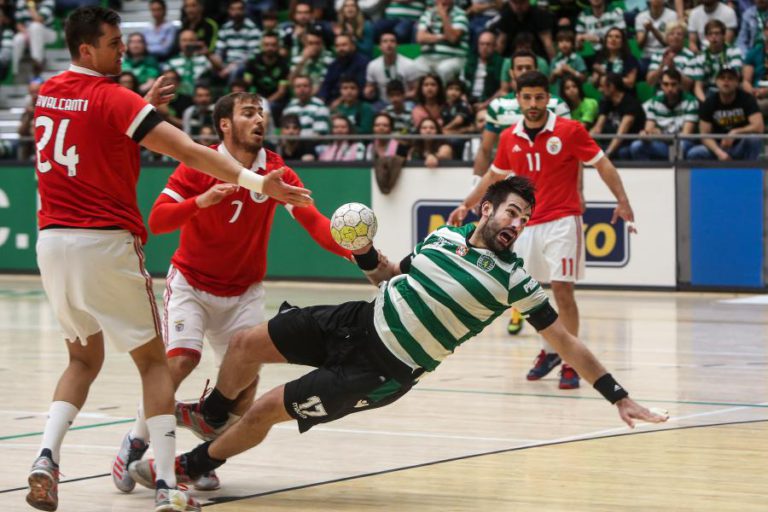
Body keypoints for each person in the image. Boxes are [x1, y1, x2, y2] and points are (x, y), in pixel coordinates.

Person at [127, 176, 667, 488]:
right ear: (486, 209)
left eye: (524, 219)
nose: (517, 224)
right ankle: (215, 413)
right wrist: (365, 253)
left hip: (380, 370)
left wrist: (616, 395)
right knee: (246, 344)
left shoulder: (515, 280)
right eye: (511, 212)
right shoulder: (445, 237)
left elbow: (567, 343)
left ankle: (190, 466)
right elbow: (392, 277)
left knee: (268, 405)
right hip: (358, 320)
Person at [26, 6, 311, 512]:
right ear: (87, 49)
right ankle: (162, 483)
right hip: (105, 240)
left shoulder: (49, 91)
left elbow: (97, 134)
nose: (122, 50)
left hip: (52, 241)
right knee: (158, 365)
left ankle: (45, 458)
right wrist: (252, 182)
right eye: (114, 43)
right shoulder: (114, 99)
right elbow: (191, 153)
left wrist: (140, 106)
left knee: (81, 358)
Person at [112, 91, 354, 494]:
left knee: (244, 387)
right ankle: (136, 441)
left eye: (262, 113)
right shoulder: (198, 164)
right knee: (181, 362)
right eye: (248, 113)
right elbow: (158, 219)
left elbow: (314, 223)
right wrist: (201, 201)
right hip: (192, 282)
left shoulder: (277, 173)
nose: (260, 119)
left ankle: (200, 459)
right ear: (225, 124)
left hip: (243, 293)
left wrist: (356, 251)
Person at [448, 71, 637, 390]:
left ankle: (571, 361)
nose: (533, 104)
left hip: (563, 220)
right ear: (518, 99)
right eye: (527, 97)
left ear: (548, 99)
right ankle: (551, 350)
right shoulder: (509, 137)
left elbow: (603, 164)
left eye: (539, 97)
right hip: (525, 226)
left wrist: (623, 201)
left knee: (562, 289)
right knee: (528, 296)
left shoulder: (570, 130)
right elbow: (493, 176)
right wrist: (466, 204)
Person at [466, 50, 570, 336]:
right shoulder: (499, 107)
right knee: (513, 253)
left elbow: (570, 154)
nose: (523, 70)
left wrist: (580, 190)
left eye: (529, 66)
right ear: (511, 74)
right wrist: (476, 185)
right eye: (519, 67)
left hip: (548, 194)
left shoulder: (557, 106)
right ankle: (516, 310)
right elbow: (487, 149)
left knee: (550, 270)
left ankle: (543, 322)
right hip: (509, 191)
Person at [686, 67, 764, 161]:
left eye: (730, 78)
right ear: (716, 82)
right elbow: (705, 135)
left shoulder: (747, 99)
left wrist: (735, 132)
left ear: (737, 83)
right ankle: (712, 175)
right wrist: (719, 152)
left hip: (740, 146)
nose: (726, 81)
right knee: (694, 153)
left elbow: (759, 127)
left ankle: (751, 172)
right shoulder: (709, 103)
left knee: (754, 139)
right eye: (722, 78)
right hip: (718, 147)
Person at [629, 68, 698, 160]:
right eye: (666, 84)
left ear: (680, 85)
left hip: (682, 144)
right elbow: (649, 129)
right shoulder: (654, 102)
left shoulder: (691, 102)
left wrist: (661, 135)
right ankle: (648, 173)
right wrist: (645, 135)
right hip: (662, 144)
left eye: (673, 84)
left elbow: (686, 134)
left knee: (680, 146)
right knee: (636, 146)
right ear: (661, 85)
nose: (669, 88)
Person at [591, 72, 646, 160]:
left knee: (622, 152)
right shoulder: (606, 101)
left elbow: (621, 134)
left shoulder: (630, 103)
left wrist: (606, 155)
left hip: (629, 143)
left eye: (602, 86)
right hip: (612, 142)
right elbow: (597, 129)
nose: (599, 90)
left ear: (611, 87)